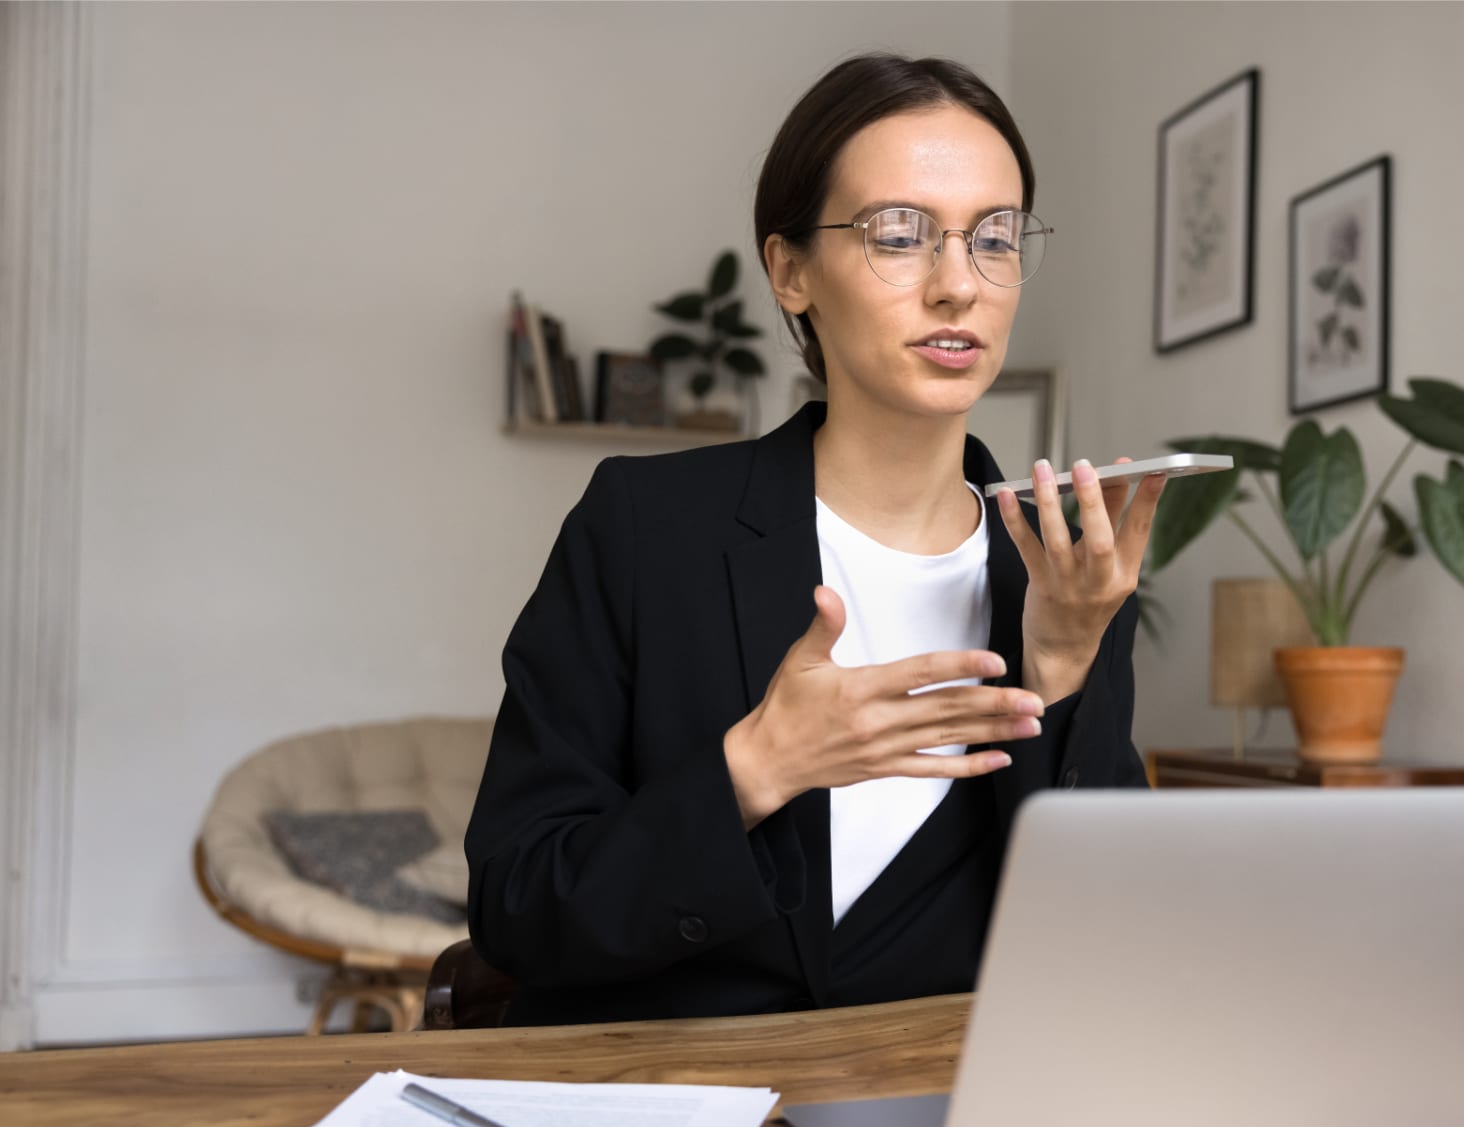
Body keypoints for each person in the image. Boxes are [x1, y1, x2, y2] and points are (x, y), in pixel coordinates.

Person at [464, 52, 1167, 1027]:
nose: (957, 284)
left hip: (936, 1114)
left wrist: (1061, 662)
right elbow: (518, 907)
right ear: (791, 272)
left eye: (994, 239)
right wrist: (755, 767)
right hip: (661, 1100)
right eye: (899, 235)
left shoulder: (1065, 573)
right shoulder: (643, 528)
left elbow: (1110, 949)